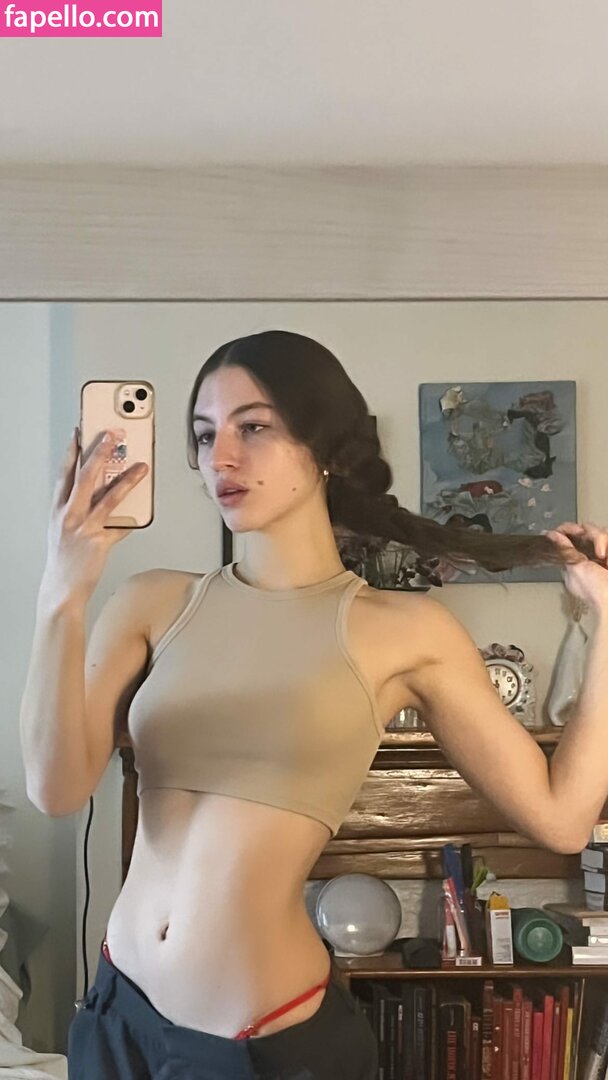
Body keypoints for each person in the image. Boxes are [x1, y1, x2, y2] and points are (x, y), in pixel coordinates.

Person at [20, 329, 608, 1080]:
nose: (220, 458)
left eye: (253, 428)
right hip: (116, 1016)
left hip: (258, 1046)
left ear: (322, 446)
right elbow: (55, 788)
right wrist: (61, 591)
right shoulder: (152, 601)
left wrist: (607, 620)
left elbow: (562, 818)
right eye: (204, 435)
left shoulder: (405, 630)